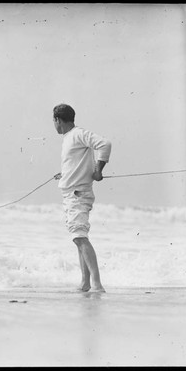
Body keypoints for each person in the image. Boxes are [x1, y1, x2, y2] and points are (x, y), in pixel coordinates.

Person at [52, 103, 111, 293]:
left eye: (54, 121)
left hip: (78, 194)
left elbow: (104, 143)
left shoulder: (77, 134)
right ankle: (85, 283)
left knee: (80, 238)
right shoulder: (70, 138)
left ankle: (97, 284)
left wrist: (98, 170)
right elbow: (77, 165)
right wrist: (65, 175)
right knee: (78, 239)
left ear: (58, 120)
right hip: (72, 192)